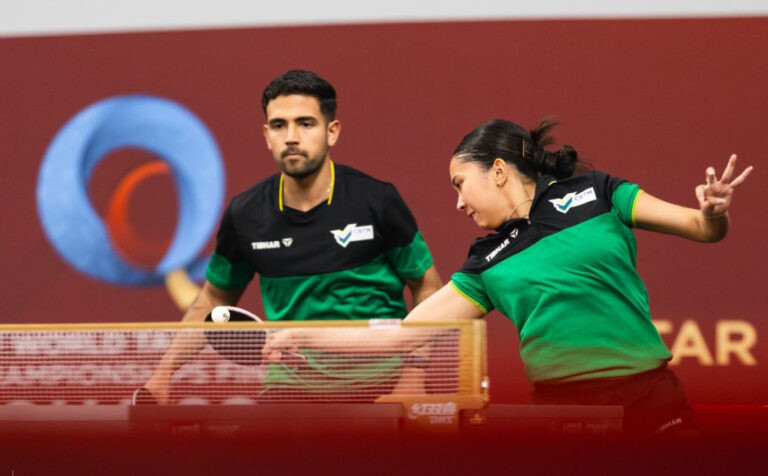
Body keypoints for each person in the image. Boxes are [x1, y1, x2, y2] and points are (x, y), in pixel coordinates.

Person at [264, 118, 752, 435]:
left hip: (652, 400)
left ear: (497, 170)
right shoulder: (486, 260)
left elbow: (702, 229)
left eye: (460, 184)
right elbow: (403, 336)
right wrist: (305, 335)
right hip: (563, 414)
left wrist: (714, 211)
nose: (458, 203)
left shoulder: (599, 193)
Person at [140, 70, 442, 404]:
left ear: (332, 132)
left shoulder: (377, 200)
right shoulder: (245, 214)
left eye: (306, 123)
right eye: (279, 125)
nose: (291, 137)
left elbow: (428, 288)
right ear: (267, 135)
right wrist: (164, 373)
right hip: (290, 385)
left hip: (383, 381)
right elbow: (212, 301)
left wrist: (414, 375)